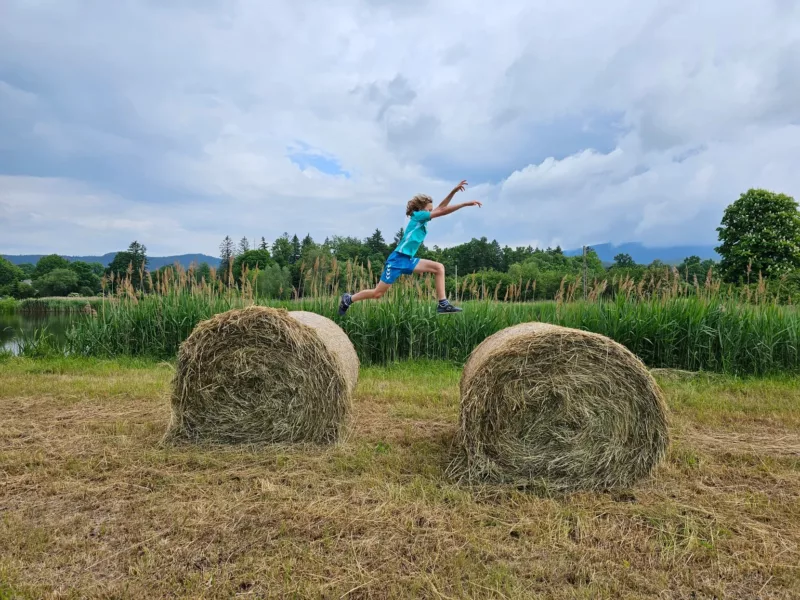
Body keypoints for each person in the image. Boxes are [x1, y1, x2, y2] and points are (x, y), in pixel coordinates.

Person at [339, 180, 481, 315]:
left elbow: (441, 208)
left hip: (408, 259)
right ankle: (348, 299)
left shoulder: (423, 217)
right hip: (397, 260)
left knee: (439, 268)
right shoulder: (418, 216)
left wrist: (453, 191)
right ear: (422, 208)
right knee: (377, 293)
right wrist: (464, 204)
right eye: (429, 209)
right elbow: (442, 211)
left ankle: (443, 303)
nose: (432, 211)